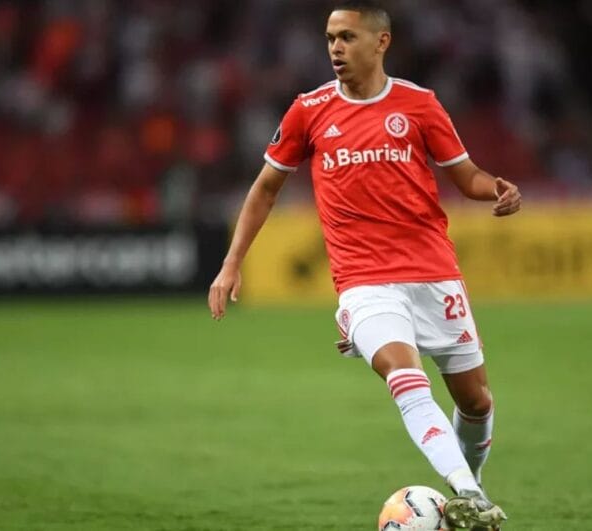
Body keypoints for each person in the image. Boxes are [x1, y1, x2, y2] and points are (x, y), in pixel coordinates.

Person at [208, 2, 520, 528]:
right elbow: (265, 188)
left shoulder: (418, 105)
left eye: (347, 37)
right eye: (330, 37)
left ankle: (472, 485)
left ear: (381, 42)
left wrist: (498, 189)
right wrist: (231, 262)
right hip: (364, 283)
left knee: (477, 402)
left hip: (433, 274)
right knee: (405, 375)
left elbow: (466, 177)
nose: (334, 48)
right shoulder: (308, 110)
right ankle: (469, 495)